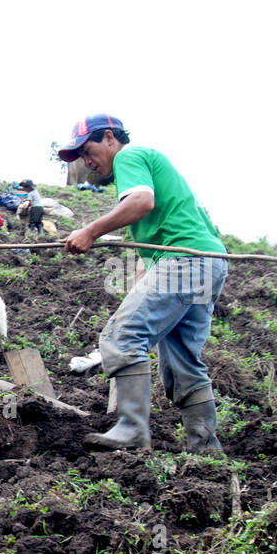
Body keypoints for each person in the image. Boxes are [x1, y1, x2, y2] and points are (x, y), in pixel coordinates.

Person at [58, 113, 228, 452]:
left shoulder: (129, 157)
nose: (87, 163)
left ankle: (133, 429)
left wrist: (90, 231)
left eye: (88, 152)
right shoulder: (153, 169)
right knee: (182, 361)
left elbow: (141, 202)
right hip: (208, 264)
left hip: (186, 261)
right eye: (81, 159)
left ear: (109, 138)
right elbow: (154, 242)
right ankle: (207, 450)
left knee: (122, 336)